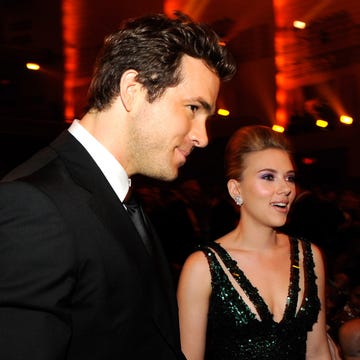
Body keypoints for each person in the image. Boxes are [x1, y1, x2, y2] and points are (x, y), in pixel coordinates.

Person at [0, 12, 236, 360]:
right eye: (192, 108)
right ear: (134, 91)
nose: (202, 137)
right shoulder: (33, 205)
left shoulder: (118, 193)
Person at [177, 125, 331, 359]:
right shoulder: (202, 267)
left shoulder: (309, 255)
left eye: (289, 178)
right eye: (268, 177)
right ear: (236, 189)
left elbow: (318, 351)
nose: (285, 189)